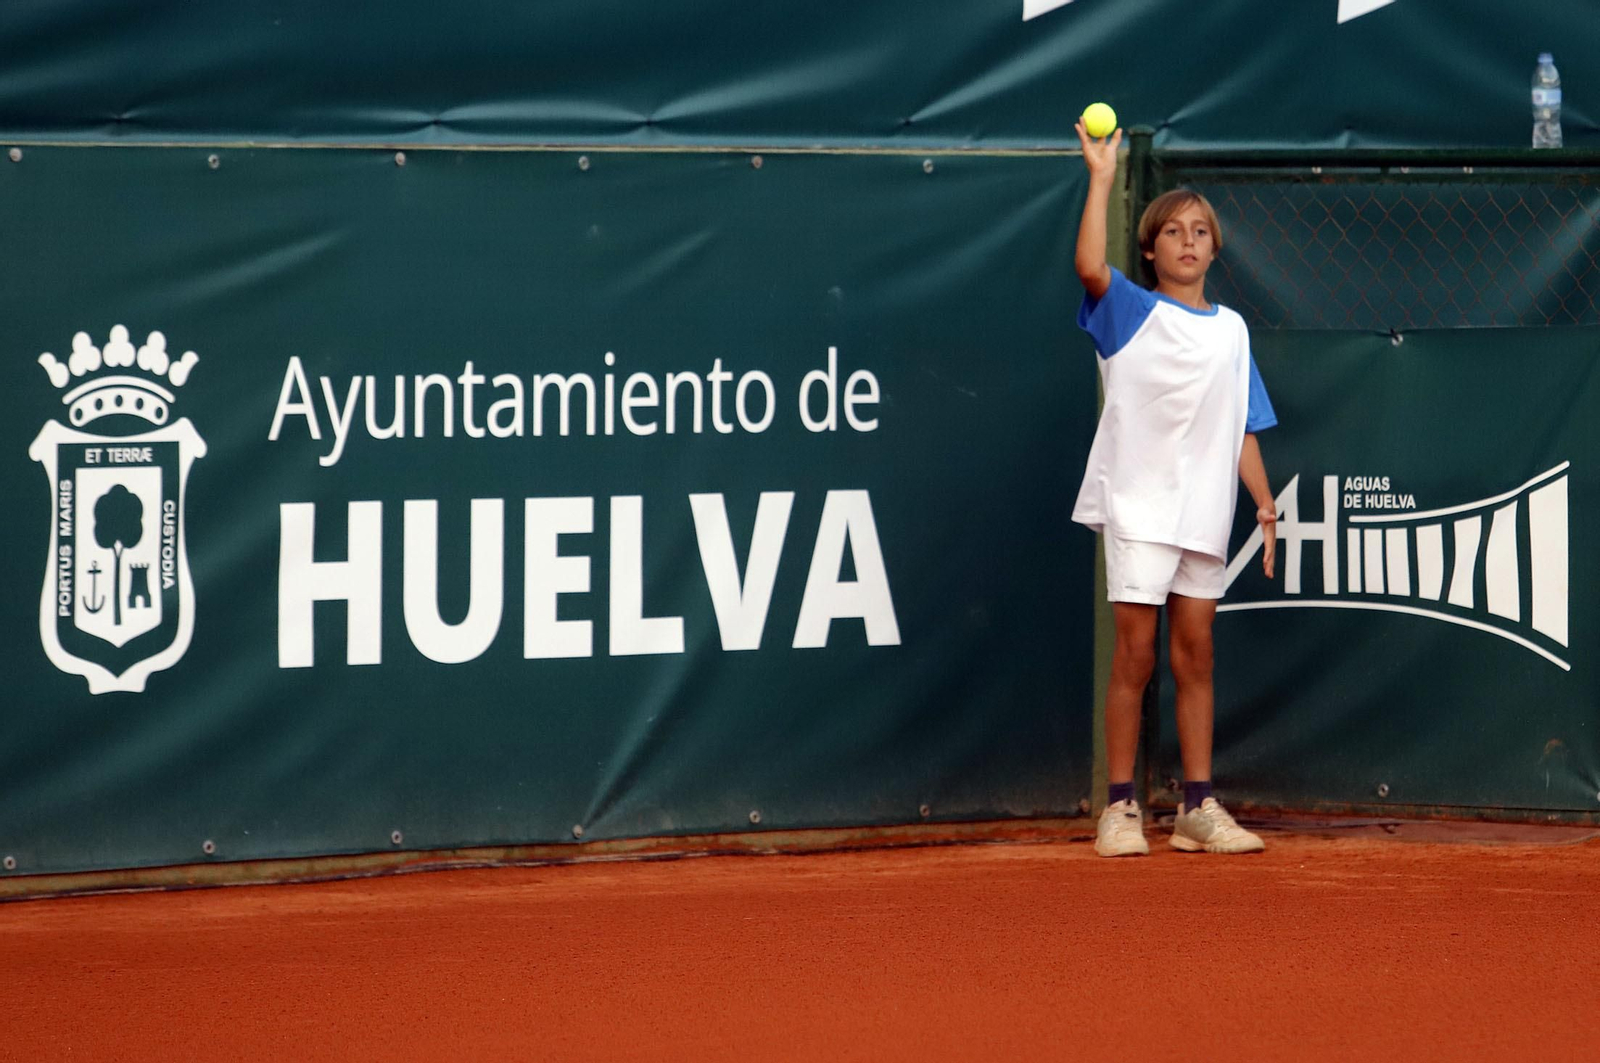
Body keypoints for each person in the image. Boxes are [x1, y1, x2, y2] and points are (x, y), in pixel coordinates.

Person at [1072, 120, 1279, 857]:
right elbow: (1090, 265)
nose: (1189, 241)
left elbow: (1242, 427)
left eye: (1201, 231)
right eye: (1173, 232)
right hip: (1138, 502)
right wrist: (1102, 177)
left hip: (1205, 509)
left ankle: (1197, 805)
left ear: (1214, 249)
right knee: (1136, 655)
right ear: (1151, 249)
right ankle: (1121, 806)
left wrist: (1262, 501)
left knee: (1197, 651)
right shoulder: (1128, 308)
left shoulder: (1233, 331)